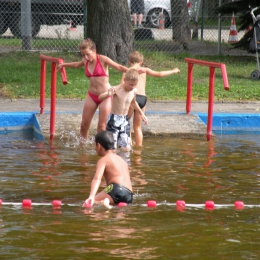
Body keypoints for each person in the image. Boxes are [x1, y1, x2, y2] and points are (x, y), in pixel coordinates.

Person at [57, 38, 130, 141]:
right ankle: (83, 149)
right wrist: (64, 65)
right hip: (92, 96)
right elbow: (77, 65)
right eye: (83, 55)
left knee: (101, 127)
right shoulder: (85, 61)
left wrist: (133, 71)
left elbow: (119, 67)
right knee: (84, 125)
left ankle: (101, 148)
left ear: (94, 51)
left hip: (105, 95)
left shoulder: (102, 59)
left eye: (87, 54)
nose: (85, 57)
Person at [121, 51, 180, 146]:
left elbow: (121, 85)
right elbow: (160, 74)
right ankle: (139, 149)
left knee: (125, 122)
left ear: (129, 61)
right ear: (141, 62)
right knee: (137, 127)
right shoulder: (145, 69)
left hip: (133, 98)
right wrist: (173, 71)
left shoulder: (128, 71)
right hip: (143, 99)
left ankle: (129, 144)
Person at [99, 68, 148, 151]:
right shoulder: (117, 89)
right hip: (113, 120)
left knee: (126, 148)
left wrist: (142, 114)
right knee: (112, 149)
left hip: (125, 121)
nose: (133, 87)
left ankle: (124, 163)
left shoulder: (134, 91)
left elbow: (133, 102)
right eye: (130, 84)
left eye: (135, 84)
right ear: (124, 80)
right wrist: (108, 94)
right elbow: (100, 97)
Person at [84, 130, 133, 207]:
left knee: (88, 203)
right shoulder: (121, 159)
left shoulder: (103, 160)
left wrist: (91, 196)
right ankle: (105, 202)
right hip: (129, 195)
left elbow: (97, 179)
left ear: (99, 146)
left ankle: (102, 202)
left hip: (115, 189)